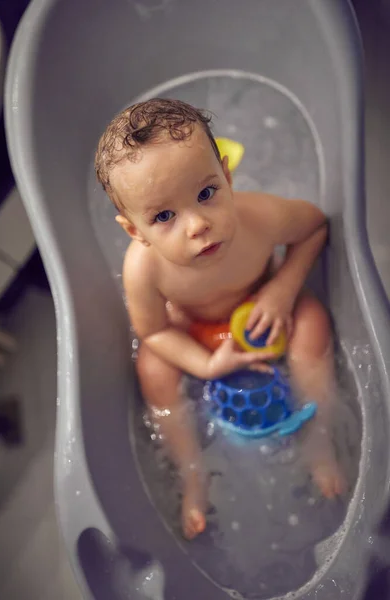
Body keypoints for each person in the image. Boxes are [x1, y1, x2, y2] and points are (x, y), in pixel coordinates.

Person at [95, 98, 345, 540]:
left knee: (313, 323)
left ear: (227, 177)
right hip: (196, 331)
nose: (197, 225)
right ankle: (194, 474)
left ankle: (319, 441)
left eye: (207, 193)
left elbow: (315, 228)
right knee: (152, 366)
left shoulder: (259, 218)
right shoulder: (144, 268)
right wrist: (205, 365)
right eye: (164, 216)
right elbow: (152, 330)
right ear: (136, 231)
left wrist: (282, 289)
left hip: (267, 308)